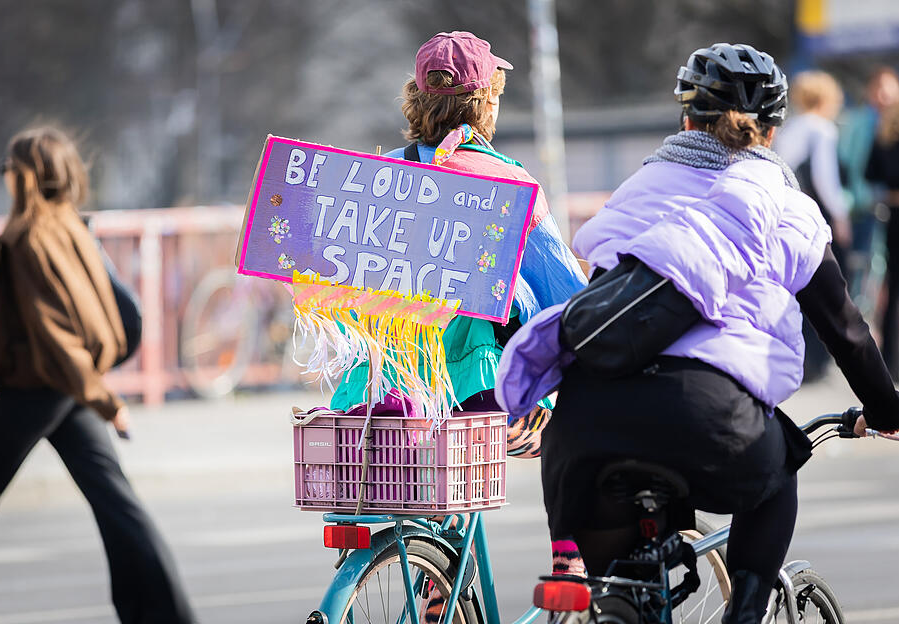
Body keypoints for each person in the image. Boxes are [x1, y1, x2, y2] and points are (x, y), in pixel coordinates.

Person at [496, 43, 899, 623]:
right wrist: (885, 409)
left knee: (621, 586)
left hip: (584, 434)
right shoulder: (785, 207)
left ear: (686, 120)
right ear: (773, 130)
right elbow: (848, 333)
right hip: (709, 424)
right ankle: (747, 612)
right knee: (777, 476)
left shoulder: (636, 193)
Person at [327, 31, 591, 605]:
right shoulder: (505, 182)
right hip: (479, 396)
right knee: (582, 422)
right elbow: (566, 296)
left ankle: (438, 584)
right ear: (486, 102)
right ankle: (569, 567)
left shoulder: (375, 177)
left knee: (446, 475)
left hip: (375, 400)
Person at [0, 127, 195, 623]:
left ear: (28, 176)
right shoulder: (69, 226)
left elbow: (56, 336)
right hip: (66, 387)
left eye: (10, 168)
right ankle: (163, 614)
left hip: (38, 386)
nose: (5, 176)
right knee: (113, 498)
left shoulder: (28, 236)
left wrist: (108, 402)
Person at [773, 71, 849, 381]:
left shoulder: (790, 129)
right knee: (826, 288)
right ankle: (818, 362)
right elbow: (825, 179)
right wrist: (842, 216)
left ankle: (802, 360)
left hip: (786, 214)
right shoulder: (822, 130)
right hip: (814, 217)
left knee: (797, 288)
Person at [839, 67, 899, 289]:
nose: (883, 95)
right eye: (879, 88)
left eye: (889, 89)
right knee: (860, 264)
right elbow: (845, 162)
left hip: (890, 208)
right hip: (862, 205)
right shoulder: (858, 122)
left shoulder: (894, 122)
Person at [866, 100, 899, 379]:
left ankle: (890, 358)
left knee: (893, 290)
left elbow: (870, 175)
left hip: (893, 219)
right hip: (894, 219)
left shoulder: (884, 136)